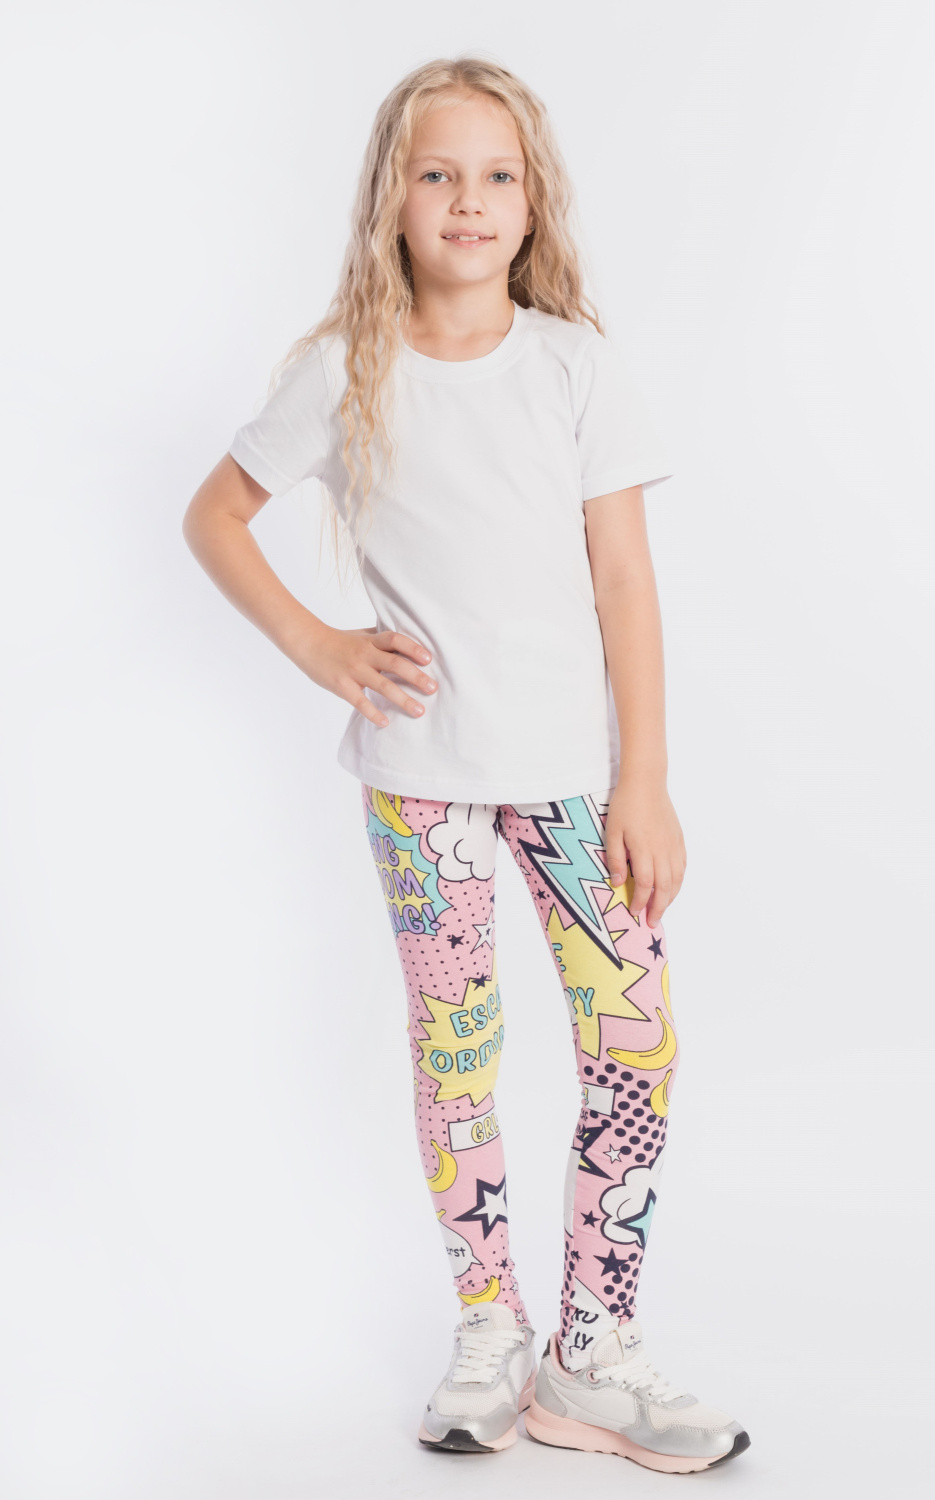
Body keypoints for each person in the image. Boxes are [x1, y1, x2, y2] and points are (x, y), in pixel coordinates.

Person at [182, 55, 750, 1475]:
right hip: (421, 780)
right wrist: (318, 645)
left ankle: (592, 1352)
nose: (467, 200)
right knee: (458, 1054)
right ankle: (490, 1328)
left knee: (634, 1042)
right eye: (436, 173)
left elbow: (624, 580)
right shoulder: (344, 371)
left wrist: (644, 778)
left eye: (496, 175)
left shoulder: (573, 366)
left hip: (575, 787)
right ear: (393, 197)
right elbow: (216, 515)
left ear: (532, 202)